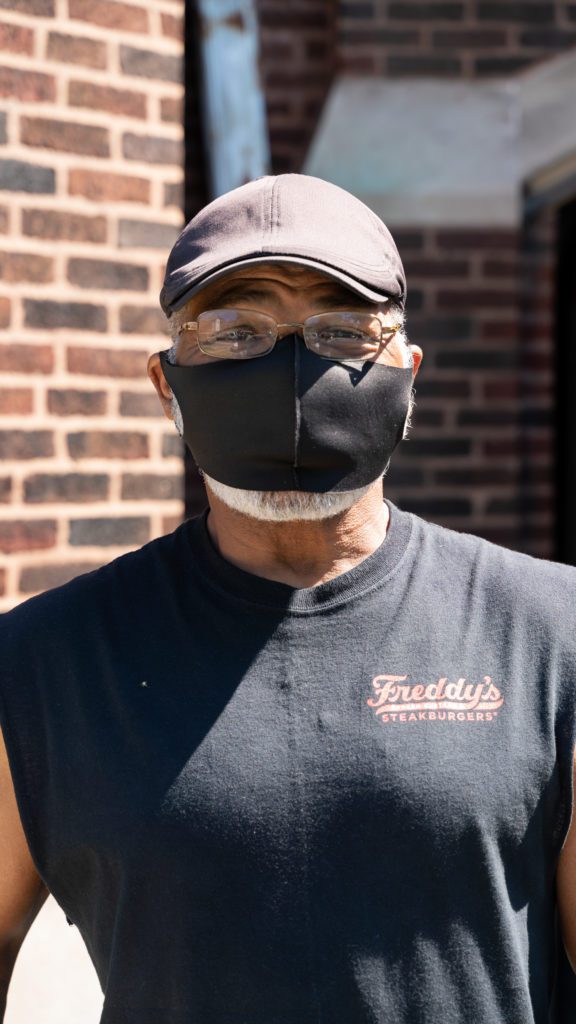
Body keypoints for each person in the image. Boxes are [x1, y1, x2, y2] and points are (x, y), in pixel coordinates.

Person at [0, 173, 575, 1024]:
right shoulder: (43, 665)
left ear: (407, 377)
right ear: (168, 386)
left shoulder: (549, 632)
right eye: (235, 331)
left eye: (342, 330)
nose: (292, 365)